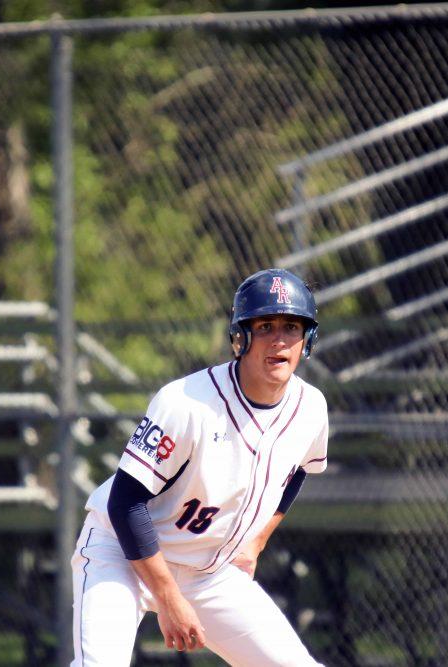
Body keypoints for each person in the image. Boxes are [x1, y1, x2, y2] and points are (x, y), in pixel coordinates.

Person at [70, 268, 329, 666]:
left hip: (209, 572)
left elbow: (297, 471)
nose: (279, 339)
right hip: (120, 553)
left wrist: (257, 541)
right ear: (240, 337)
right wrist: (168, 597)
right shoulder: (186, 403)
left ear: (306, 339)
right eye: (265, 325)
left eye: (292, 326)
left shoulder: (310, 408)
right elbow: (125, 503)